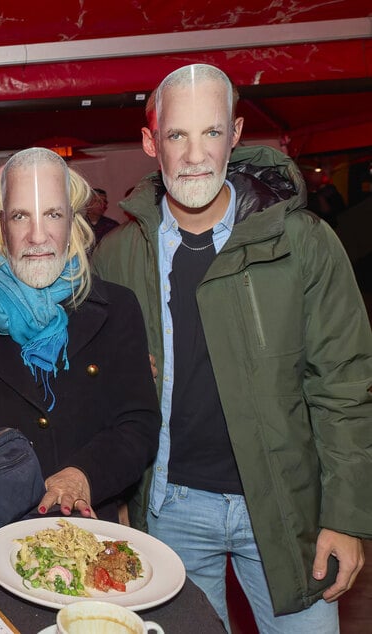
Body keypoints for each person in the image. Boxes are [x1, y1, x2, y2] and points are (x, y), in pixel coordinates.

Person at [93, 63, 371, 632]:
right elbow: (101, 390)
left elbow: (344, 385)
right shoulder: (117, 257)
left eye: (211, 133)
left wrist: (346, 515)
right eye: (177, 136)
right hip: (169, 507)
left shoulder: (305, 244)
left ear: (236, 134)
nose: (195, 155)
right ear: (151, 142)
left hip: (285, 505)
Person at [0, 147, 160, 522]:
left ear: (72, 221)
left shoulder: (117, 309)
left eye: (52, 215)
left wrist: (83, 475)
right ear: (2, 225)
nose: (37, 235)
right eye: (21, 216)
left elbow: (137, 425)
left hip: (83, 526)